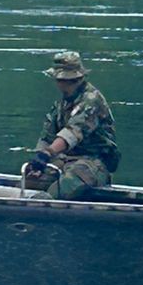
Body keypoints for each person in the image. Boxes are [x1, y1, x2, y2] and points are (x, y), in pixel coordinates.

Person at [24, 50, 120, 200]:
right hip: (65, 160)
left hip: (95, 162)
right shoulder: (61, 104)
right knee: (29, 182)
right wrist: (39, 161)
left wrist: (47, 153)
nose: (60, 84)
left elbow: (72, 133)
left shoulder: (91, 100)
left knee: (64, 186)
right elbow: (47, 135)